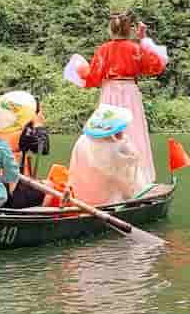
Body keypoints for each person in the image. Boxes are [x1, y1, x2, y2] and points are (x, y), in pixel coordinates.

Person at [63, 11, 168, 184]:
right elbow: (153, 66)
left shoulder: (104, 50)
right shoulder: (135, 48)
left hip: (110, 91)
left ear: (111, 29)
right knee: (133, 132)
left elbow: (93, 77)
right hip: (129, 92)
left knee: (105, 134)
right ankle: (139, 179)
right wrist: (143, 38)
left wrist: (79, 69)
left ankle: (104, 179)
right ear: (129, 30)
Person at [67, 104, 146, 205]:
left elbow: (73, 171)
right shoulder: (114, 147)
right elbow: (134, 158)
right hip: (105, 199)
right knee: (126, 177)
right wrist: (123, 140)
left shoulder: (81, 140)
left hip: (81, 197)